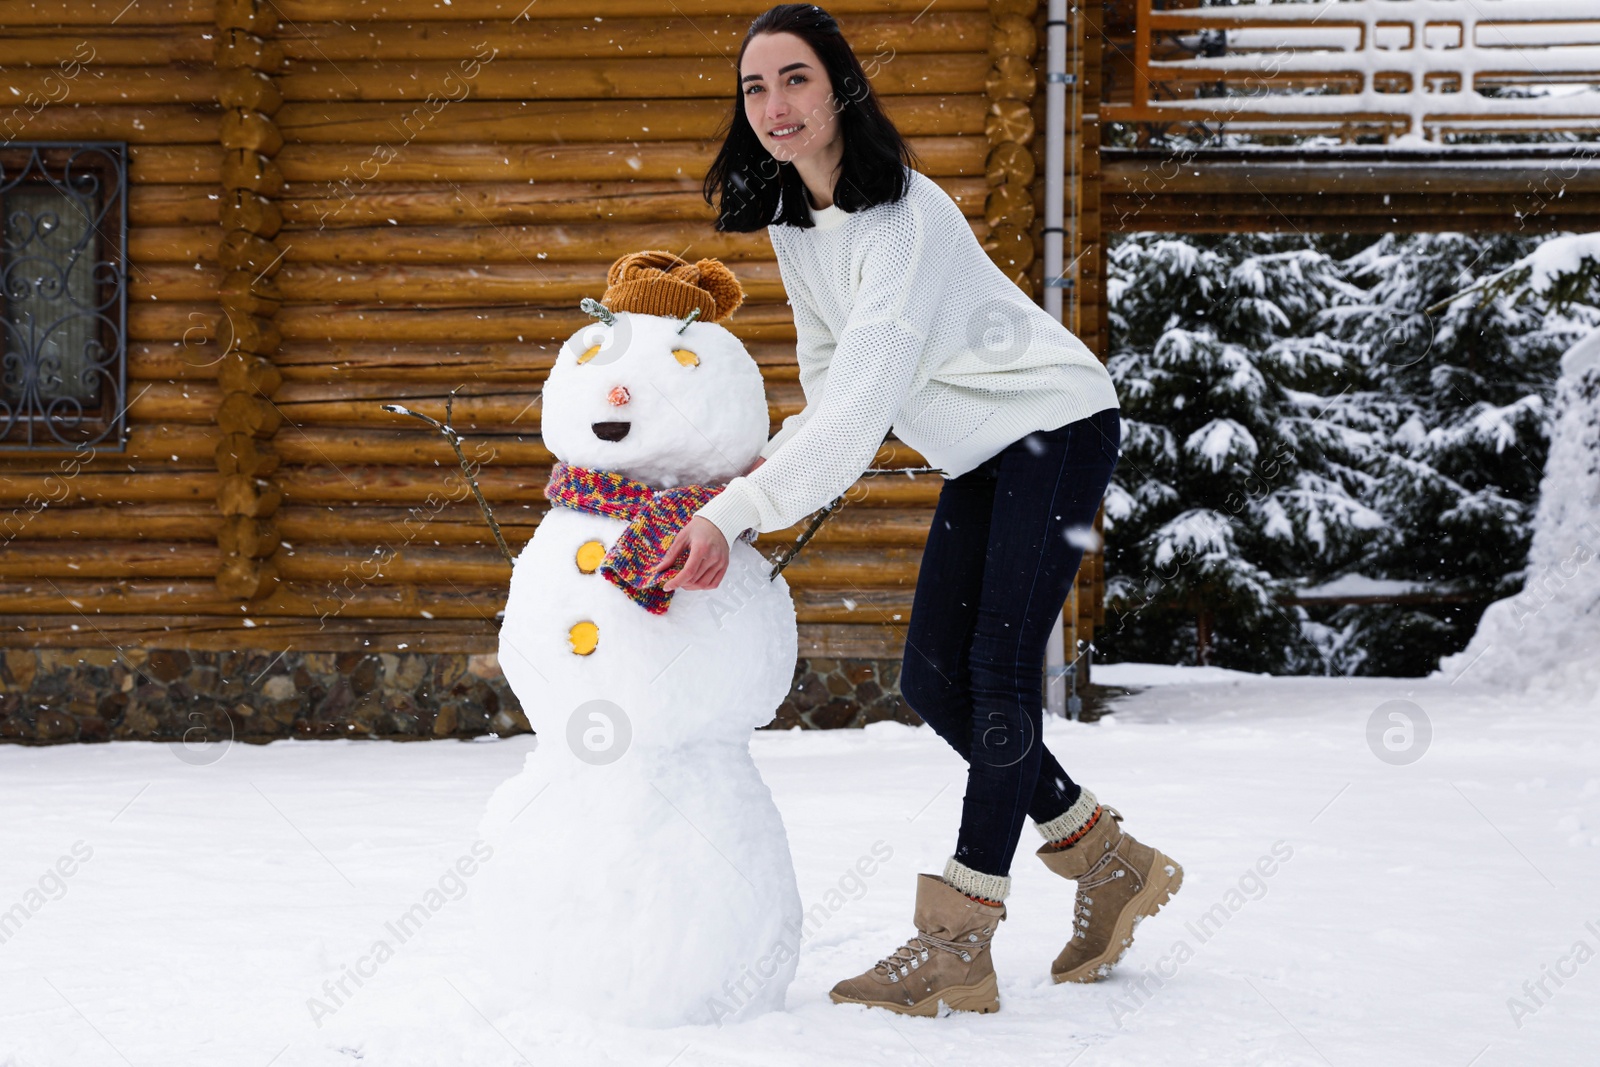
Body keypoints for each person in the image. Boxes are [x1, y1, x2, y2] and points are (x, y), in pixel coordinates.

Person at [648, 3, 1184, 1017]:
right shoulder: (794, 220)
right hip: (983, 449)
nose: (773, 104)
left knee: (993, 671)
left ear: (839, 85)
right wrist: (782, 461)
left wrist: (738, 509)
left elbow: (865, 395)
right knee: (934, 677)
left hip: (1057, 424)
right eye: (754, 86)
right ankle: (1105, 857)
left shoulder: (903, 214)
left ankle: (958, 941)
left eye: (794, 78)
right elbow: (826, 371)